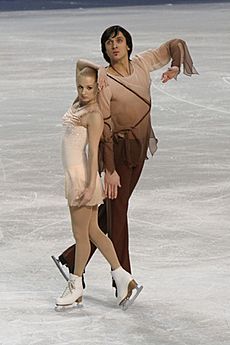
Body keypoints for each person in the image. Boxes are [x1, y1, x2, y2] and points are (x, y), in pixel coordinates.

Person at [53, 25, 198, 291]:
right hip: (116, 153)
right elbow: (105, 130)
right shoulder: (104, 80)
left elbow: (175, 42)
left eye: (119, 40)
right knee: (118, 212)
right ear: (105, 49)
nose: (114, 45)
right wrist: (109, 170)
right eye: (109, 42)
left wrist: (176, 65)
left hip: (139, 149)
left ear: (128, 45)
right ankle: (123, 277)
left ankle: (73, 258)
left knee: (112, 211)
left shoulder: (142, 63)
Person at [55, 65, 142, 309]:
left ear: (98, 89)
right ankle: (123, 277)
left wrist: (90, 186)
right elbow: (79, 65)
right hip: (76, 177)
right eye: (80, 87)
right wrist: (98, 72)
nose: (83, 91)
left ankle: (75, 286)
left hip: (82, 179)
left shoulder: (93, 114)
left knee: (81, 237)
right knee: (94, 233)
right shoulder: (79, 102)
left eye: (90, 88)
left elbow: (93, 153)